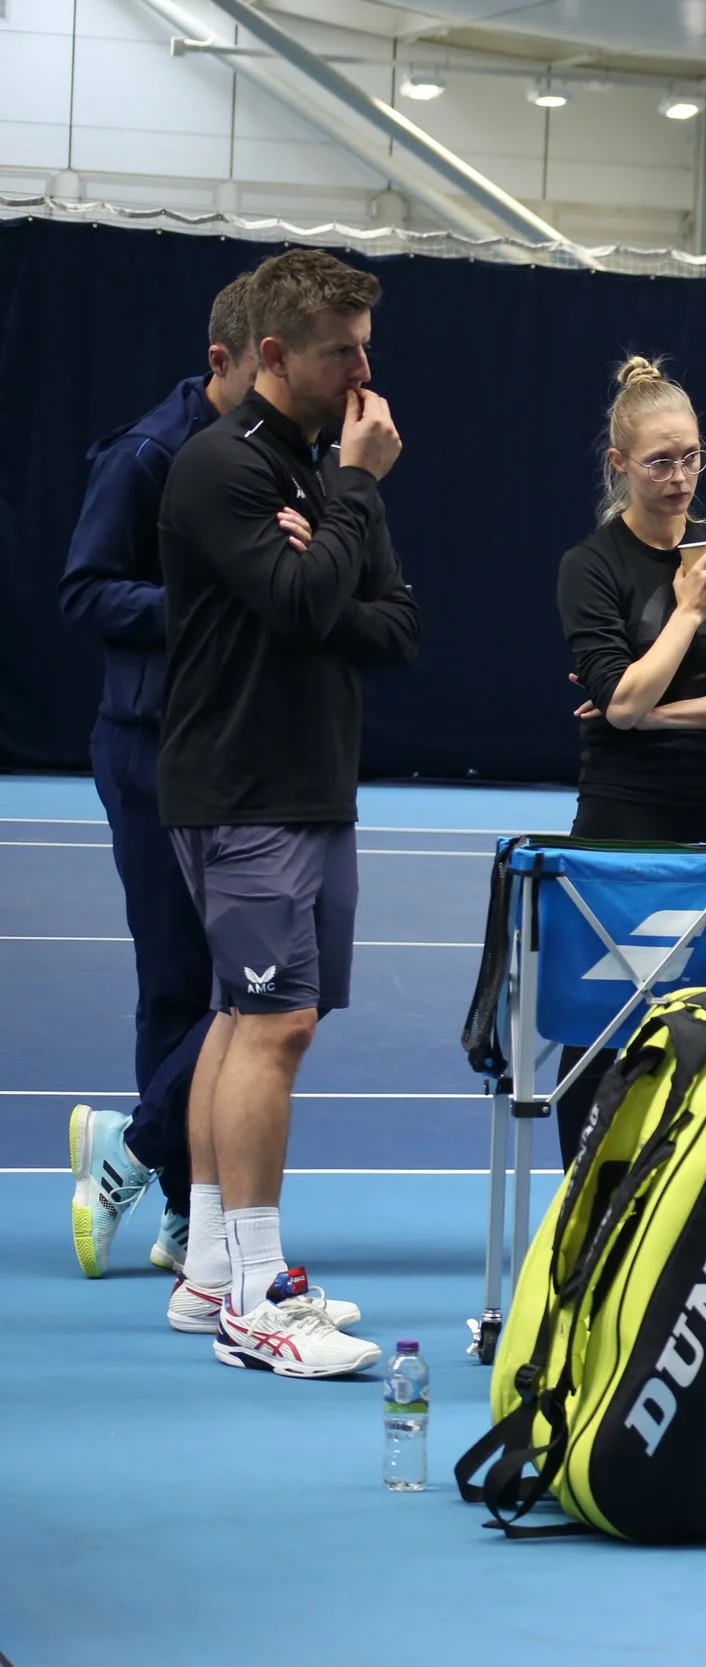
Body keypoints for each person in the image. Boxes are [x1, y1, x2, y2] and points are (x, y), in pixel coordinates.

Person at [156, 247, 421, 1379]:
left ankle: (213, 1270)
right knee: (276, 1025)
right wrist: (354, 499)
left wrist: (335, 542)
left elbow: (393, 624)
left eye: (366, 347)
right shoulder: (218, 466)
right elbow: (312, 602)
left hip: (310, 782)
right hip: (241, 783)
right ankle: (259, 1296)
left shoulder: (314, 474)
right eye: (341, 352)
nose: (363, 372)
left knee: (244, 1018)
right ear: (274, 355)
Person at [59, 272, 258, 1280]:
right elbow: (86, 591)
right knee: (187, 985)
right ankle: (182, 1203)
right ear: (223, 360)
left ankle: (139, 1150)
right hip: (147, 747)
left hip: (235, 752)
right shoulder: (146, 452)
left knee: (257, 985)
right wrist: (205, 606)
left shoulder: (277, 456)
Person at [554, 354, 706, 1165]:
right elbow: (616, 701)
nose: (682, 476)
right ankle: (587, 1182)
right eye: (661, 461)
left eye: (693, 457)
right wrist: (687, 613)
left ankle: (685, 1184)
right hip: (622, 813)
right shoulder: (591, 567)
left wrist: (647, 712)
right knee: (602, 1019)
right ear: (620, 465)